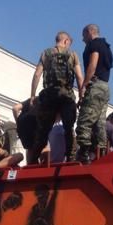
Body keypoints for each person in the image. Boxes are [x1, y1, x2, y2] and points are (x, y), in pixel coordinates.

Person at [31, 32, 83, 163]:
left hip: (49, 96)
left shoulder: (46, 53)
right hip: (66, 96)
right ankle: (71, 158)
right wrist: (82, 95)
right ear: (66, 41)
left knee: (43, 130)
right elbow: (79, 76)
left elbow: (37, 74)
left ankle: (33, 159)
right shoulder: (73, 55)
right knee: (68, 128)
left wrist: (32, 95)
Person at [75, 24, 113, 164]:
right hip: (105, 87)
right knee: (99, 124)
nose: (82, 39)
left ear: (90, 32)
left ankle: (83, 155)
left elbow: (93, 64)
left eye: (83, 35)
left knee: (84, 122)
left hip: (95, 86)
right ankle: (101, 154)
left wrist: (84, 85)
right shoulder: (107, 47)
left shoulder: (95, 44)